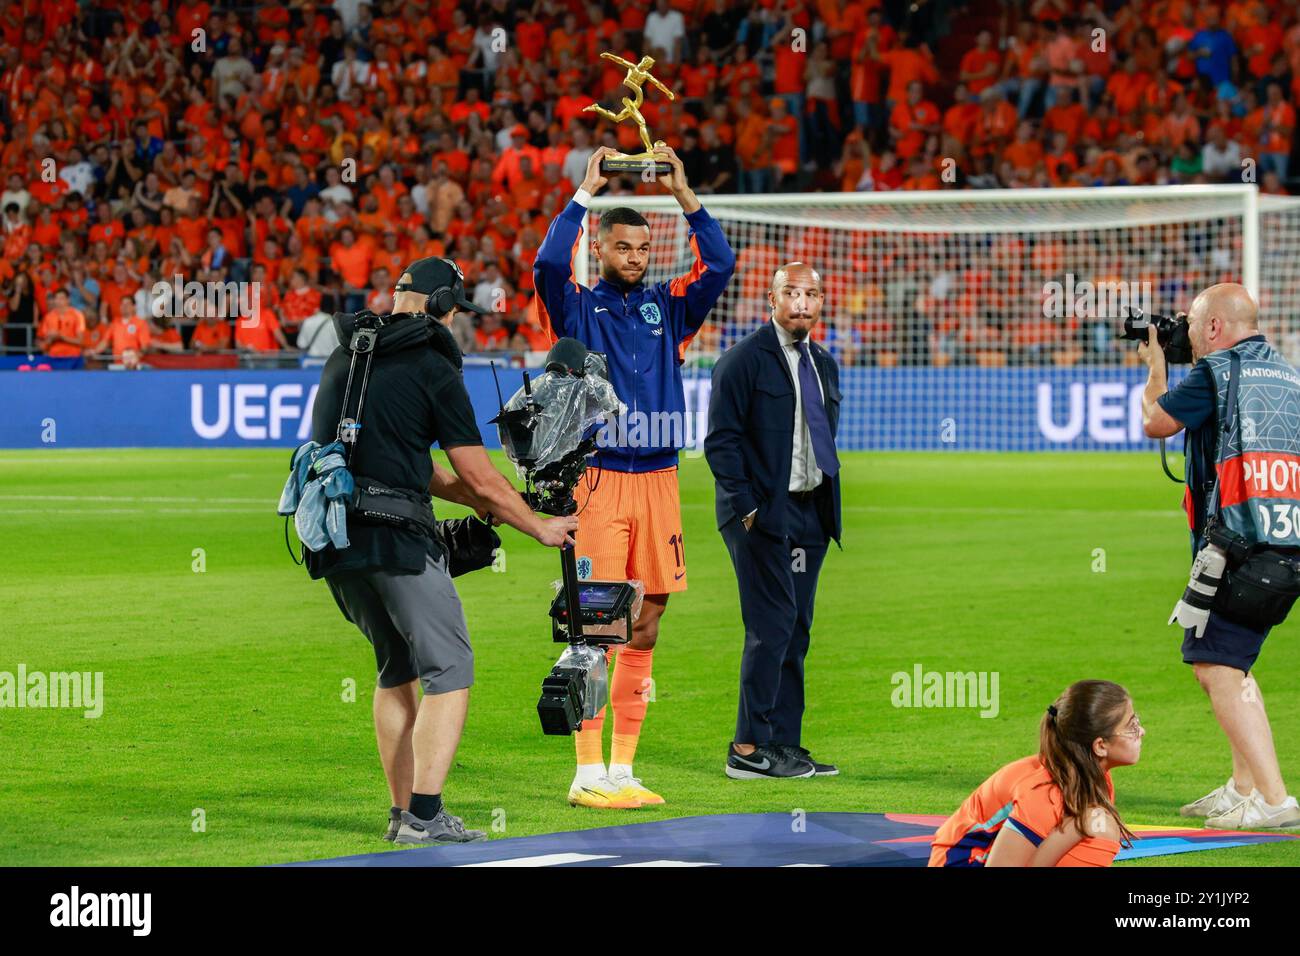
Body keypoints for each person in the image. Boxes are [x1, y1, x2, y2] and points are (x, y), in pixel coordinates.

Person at [308, 256, 579, 844]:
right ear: (439, 306)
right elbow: (478, 476)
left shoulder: (348, 352)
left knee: (395, 667)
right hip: (399, 541)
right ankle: (426, 817)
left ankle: (401, 813)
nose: (457, 321)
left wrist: (482, 500)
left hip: (334, 540)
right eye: (455, 309)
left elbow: (402, 458)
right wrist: (538, 525)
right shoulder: (434, 365)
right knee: (450, 669)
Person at [533, 144, 736, 808]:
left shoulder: (669, 308)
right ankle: (585, 770)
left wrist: (685, 194)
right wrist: (583, 195)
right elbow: (545, 264)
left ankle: (623, 767)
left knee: (647, 622)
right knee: (597, 622)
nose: (636, 258)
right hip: (598, 479)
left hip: (660, 479)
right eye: (624, 248)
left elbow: (722, 263)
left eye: (644, 250)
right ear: (604, 250)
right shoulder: (577, 308)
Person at [1141, 282, 1300, 829]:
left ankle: (1275, 803)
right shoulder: (1289, 375)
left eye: (1190, 326)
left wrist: (1155, 365)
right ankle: (1243, 789)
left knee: (1217, 667)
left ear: (1213, 327)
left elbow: (1155, 422)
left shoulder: (1217, 372)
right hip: (1285, 541)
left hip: (1235, 548)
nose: (1188, 336)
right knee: (1232, 664)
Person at [704, 263, 842, 779]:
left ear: (821, 302)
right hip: (761, 515)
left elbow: (820, 439)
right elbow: (720, 441)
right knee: (771, 624)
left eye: (811, 294)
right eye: (792, 292)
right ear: (771, 299)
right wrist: (748, 507)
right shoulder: (742, 361)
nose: (802, 302)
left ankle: (784, 743)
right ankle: (746, 748)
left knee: (796, 627)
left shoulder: (823, 363)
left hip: (809, 513)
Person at [928, 680, 1140, 867]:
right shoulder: (1043, 793)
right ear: (1100, 745)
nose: (1141, 732)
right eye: (1132, 726)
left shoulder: (1090, 774)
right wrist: (1076, 828)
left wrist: (1075, 828)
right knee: (1099, 824)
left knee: (1096, 823)